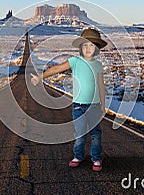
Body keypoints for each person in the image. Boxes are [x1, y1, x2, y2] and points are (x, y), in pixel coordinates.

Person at [30, 28, 107, 171]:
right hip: (79, 106)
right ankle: (78, 156)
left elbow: (101, 85)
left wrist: (103, 104)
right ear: (80, 47)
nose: (88, 48)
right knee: (80, 133)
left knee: (95, 134)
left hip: (95, 106)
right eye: (85, 45)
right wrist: (40, 77)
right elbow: (57, 69)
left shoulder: (98, 65)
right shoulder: (75, 61)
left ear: (96, 48)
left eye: (91, 45)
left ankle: (96, 158)